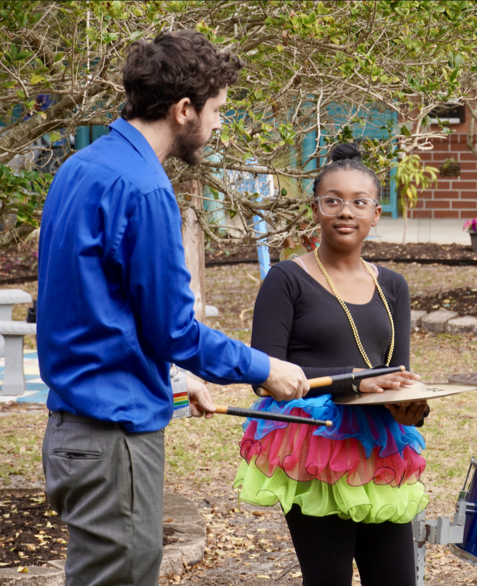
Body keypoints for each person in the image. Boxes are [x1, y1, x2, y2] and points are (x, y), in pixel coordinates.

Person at [37, 31, 309, 586]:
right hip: (113, 442)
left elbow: (101, 307)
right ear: (184, 110)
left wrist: (176, 377)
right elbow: (175, 329)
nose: (218, 125)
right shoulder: (144, 188)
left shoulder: (81, 167)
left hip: (72, 431)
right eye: (217, 111)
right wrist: (266, 368)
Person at [235, 144, 429, 586]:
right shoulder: (286, 279)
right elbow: (264, 381)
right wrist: (353, 386)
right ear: (315, 209)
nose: (346, 211)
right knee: (328, 579)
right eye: (333, 200)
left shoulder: (393, 287)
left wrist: (413, 409)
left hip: (377, 444)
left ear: (376, 213)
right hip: (312, 445)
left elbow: (397, 375)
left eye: (359, 202)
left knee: (396, 579)